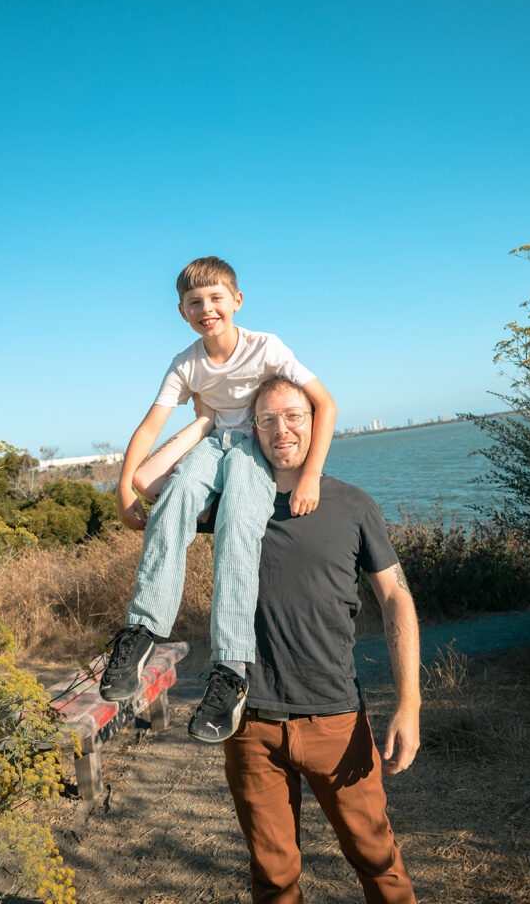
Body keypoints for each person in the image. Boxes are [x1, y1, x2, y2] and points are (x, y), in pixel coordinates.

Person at [100, 256, 337, 746]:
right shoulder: (186, 362)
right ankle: (142, 632)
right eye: (194, 303)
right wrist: (125, 488)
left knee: (237, 532)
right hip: (211, 447)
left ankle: (230, 669)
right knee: (175, 502)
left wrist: (311, 473)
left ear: (236, 301)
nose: (206, 309)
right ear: (182, 311)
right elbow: (151, 424)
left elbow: (325, 403)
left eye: (215, 299)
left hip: (253, 449)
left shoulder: (266, 347)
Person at [223, 375, 420, 904]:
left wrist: (408, 703)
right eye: (266, 419)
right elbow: (147, 497)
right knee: (273, 877)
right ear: (252, 429)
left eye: (294, 415)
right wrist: (201, 411)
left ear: (316, 422)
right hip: (249, 724)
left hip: (335, 718)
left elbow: (396, 598)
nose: (281, 429)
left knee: (378, 861)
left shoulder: (352, 505)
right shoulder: (230, 505)